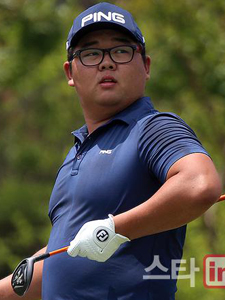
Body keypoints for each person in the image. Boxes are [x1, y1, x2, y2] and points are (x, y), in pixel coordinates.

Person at [0, 2, 222, 300]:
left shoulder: (153, 128)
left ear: (145, 66)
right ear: (70, 72)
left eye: (121, 51)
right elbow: (65, 263)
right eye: (91, 53)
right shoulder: (75, 155)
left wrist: (113, 229)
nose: (106, 63)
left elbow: (200, 185)